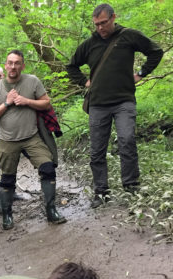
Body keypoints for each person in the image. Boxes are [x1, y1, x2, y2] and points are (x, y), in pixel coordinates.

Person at [66, 3, 163, 208]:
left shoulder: (128, 36)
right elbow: (71, 66)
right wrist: (84, 81)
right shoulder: (90, 43)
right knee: (97, 150)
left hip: (124, 101)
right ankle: (101, 192)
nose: (100, 28)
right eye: (97, 24)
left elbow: (156, 51)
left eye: (103, 23)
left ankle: (131, 186)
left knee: (127, 140)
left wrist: (141, 73)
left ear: (113, 18)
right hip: (98, 104)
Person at [0, 50, 66, 230]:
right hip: (7, 140)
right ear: (6, 65)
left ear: (23, 65)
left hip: (32, 137)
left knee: (47, 168)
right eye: (10, 63)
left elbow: (46, 103)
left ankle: (51, 210)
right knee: (7, 179)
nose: (13, 66)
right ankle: (7, 215)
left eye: (17, 63)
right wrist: (6, 103)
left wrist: (26, 101)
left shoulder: (32, 81)